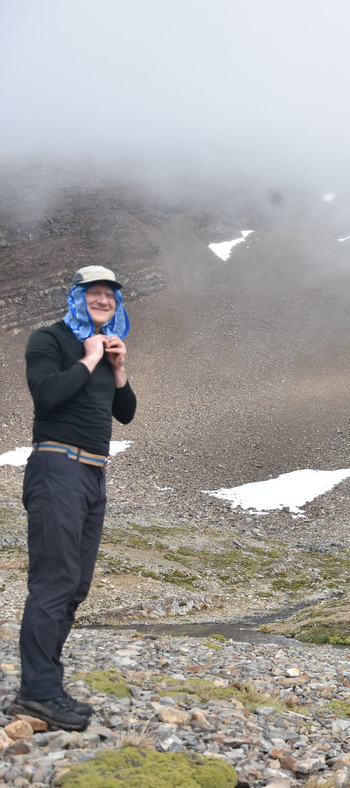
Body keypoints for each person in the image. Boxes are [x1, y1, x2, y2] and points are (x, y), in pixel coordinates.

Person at [11, 265, 136, 732]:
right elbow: (46, 395)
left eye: (110, 295)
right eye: (94, 293)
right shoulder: (50, 339)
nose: (102, 300)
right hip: (57, 466)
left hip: (92, 474)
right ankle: (37, 694)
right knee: (54, 581)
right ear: (76, 297)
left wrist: (117, 368)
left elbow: (125, 414)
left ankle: (48, 686)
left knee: (76, 585)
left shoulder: (108, 350)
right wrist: (86, 358)